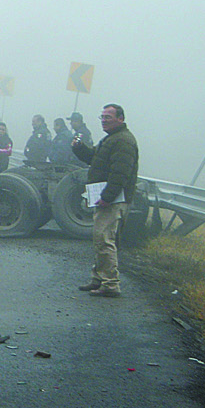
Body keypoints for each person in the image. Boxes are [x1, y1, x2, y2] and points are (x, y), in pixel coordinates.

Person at [72, 103, 140, 298]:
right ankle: (99, 278)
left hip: (113, 200)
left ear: (121, 118)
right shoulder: (111, 139)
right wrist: (79, 148)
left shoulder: (123, 141)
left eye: (108, 117)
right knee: (99, 238)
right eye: (102, 117)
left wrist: (107, 197)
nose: (103, 120)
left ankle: (110, 284)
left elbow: (121, 173)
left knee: (105, 239)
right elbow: (94, 158)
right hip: (105, 197)